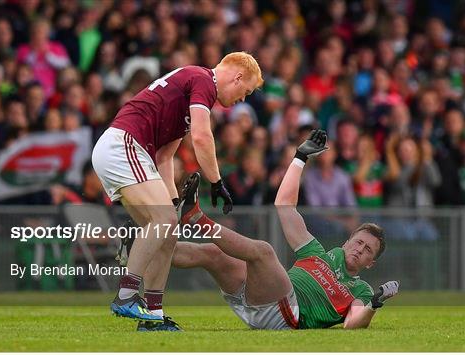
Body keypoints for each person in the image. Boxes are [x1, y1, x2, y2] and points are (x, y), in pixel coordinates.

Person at [91, 52, 263, 330]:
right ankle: (126, 295)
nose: (242, 99)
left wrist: (173, 202)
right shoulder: (204, 80)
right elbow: (201, 137)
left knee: (167, 230)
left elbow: (164, 158)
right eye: (245, 91)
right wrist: (216, 182)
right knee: (163, 221)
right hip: (123, 146)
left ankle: (153, 317)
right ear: (237, 77)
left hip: (129, 151)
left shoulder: (190, 89)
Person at [173, 130, 399, 330]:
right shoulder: (317, 253)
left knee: (264, 251)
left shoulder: (361, 290)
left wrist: (374, 304)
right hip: (260, 302)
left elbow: (351, 324)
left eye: (368, 250)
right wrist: (300, 158)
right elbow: (284, 205)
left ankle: (197, 219)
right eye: (359, 242)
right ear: (347, 241)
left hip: (286, 316)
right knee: (212, 253)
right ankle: (155, 247)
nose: (361, 249)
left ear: (371, 263)